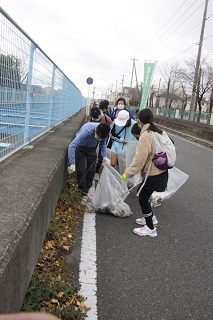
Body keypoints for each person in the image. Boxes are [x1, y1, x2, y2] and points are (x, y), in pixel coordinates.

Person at [121, 108, 169, 237]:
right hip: (162, 171)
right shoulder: (158, 131)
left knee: (142, 197)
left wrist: (127, 174)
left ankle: (150, 228)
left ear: (138, 121)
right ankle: (150, 218)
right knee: (143, 193)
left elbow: (139, 161)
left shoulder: (146, 135)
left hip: (152, 173)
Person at [68, 122, 110, 196]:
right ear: (95, 131)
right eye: (98, 137)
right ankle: (82, 193)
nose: (99, 139)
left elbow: (103, 144)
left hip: (92, 148)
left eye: (101, 138)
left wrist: (105, 156)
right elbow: (72, 145)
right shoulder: (87, 130)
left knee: (92, 170)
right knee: (81, 170)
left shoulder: (104, 133)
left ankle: (86, 191)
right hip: (81, 147)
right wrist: (72, 162)